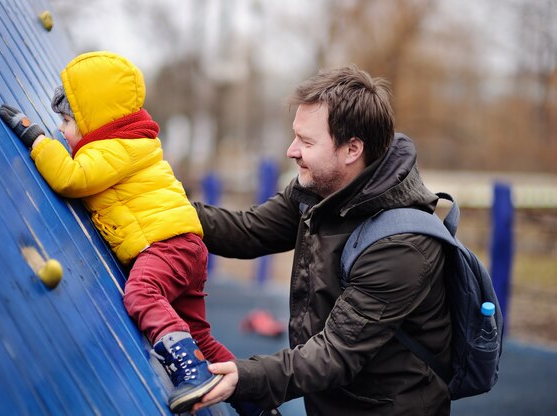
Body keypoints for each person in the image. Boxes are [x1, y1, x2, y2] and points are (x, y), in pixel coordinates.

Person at [0, 51, 273, 416]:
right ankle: (255, 401)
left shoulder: (114, 148)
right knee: (200, 336)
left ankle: (190, 372)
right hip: (183, 246)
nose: (61, 130)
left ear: (94, 118)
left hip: (166, 247)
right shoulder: (131, 142)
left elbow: (71, 178)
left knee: (142, 294)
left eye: (66, 120)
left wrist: (35, 137)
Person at [191, 64, 452, 415]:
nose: (291, 150)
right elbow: (248, 229)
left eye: (306, 141)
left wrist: (248, 376)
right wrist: (159, 208)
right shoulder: (319, 190)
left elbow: (335, 353)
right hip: (335, 400)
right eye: (295, 135)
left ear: (351, 150)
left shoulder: (403, 245)